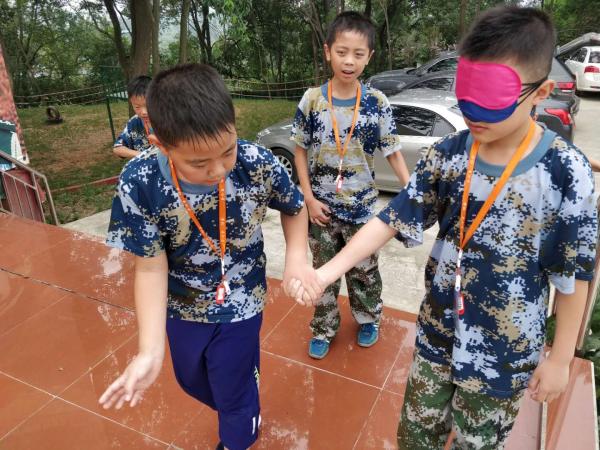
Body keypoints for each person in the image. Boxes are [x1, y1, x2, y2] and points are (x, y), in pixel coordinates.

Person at [289, 6, 597, 449]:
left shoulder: (566, 173)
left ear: (540, 92)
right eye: (466, 90)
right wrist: (323, 274)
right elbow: (389, 220)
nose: (472, 108)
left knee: (477, 444)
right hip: (436, 335)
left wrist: (562, 357)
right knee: (415, 438)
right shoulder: (448, 155)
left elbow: (575, 275)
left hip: (503, 357)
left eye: (490, 96)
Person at [98, 63, 319, 450]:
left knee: (232, 391)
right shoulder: (140, 180)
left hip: (243, 300)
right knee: (189, 378)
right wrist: (149, 350)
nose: (218, 170)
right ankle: (243, 408)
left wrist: (297, 258)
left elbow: (294, 207)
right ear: (161, 144)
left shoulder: (257, 163)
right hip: (181, 303)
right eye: (199, 163)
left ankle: (239, 432)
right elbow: (150, 266)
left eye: (227, 151)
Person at [291, 11, 411, 359]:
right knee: (321, 274)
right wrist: (309, 199)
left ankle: (368, 318)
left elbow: (393, 152)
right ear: (328, 51)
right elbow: (299, 152)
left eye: (358, 54)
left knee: (364, 270)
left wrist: (413, 193)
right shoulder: (312, 99)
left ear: (369, 57)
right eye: (342, 51)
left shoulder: (376, 103)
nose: (349, 61)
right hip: (322, 209)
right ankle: (323, 327)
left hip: (362, 210)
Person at [113, 75, 153, 159]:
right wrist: (143, 155)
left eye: (148, 105)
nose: (143, 112)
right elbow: (117, 148)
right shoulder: (134, 122)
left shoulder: (168, 119)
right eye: (137, 107)